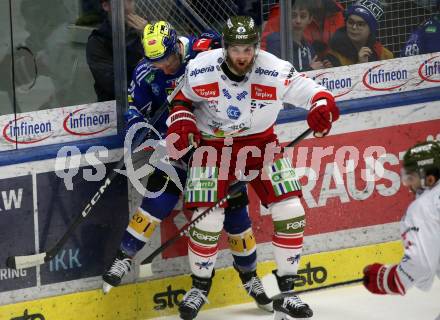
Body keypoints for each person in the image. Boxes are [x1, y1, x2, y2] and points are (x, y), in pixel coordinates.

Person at [166, 16, 339, 320]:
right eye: (236, 49)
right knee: (207, 219)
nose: (242, 56)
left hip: (261, 146)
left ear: (256, 48)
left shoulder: (273, 68)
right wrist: (182, 121)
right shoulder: (202, 68)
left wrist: (322, 105)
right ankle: (200, 287)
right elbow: (180, 100)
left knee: (291, 209)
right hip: (212, 147)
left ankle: (287, 291)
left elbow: (310, 90)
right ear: (225, 48)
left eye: (247, 49)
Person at [102, 21, 273, 312]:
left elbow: (240, 67)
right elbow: (135, 111)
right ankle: (123, 257)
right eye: (157, 63)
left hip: (217, 149)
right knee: (155, 202)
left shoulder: (205, 50)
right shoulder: (146, 73)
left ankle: (250, 278)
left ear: (176, 48)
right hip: (178, 147)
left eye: (168, 59)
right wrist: (140, 132)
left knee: (235, 217)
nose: (165, 68)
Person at [363, 140, 440, 296]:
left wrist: (387, 279)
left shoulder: (424, 206)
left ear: (430, 179)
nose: (408, 184)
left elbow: (421, 265)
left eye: (412, 177)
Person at [86, 0, 146, 102]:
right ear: (106, 5)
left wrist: (148, 37)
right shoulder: (98, 41)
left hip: (148, 101)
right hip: (114, 108)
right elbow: (115, 86)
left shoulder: (143, 30)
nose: (130, 5)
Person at [261, 0, 345, 59]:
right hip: (295, 73)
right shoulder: (286, 10)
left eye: (303, 16)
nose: (298, 20)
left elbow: (342, 46)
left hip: (333, 74)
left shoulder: (336, 11)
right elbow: (265, 49)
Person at [324, 0, 393, 67]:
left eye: (360, 24)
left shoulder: (383, 54)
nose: (354, 27)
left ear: (371, 29)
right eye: (350, 22)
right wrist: (360, 65)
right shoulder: (333, 56)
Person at [265, 0, 325, 71]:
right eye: (293, 15)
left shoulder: (309, 49)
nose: (298, 21)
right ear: (285, 17)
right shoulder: (276, 44)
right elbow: (278, 77)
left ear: (310, 19)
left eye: (303, 16)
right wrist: (310, 69)